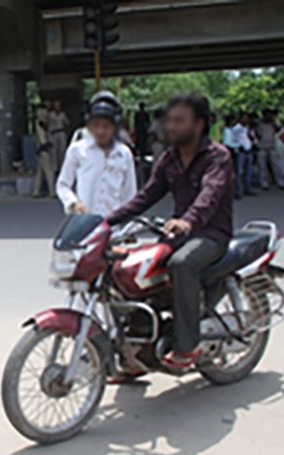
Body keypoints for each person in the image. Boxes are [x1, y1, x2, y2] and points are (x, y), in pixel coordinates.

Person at [106, 92, 234, 370]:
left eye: (179, 121)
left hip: (211, 234)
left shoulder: (218, 157)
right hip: (179, 234)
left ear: (199, 124)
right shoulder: (169, 159)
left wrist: (188, 220)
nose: (171, 127)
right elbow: (146, 196)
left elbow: (209, 196)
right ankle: (138, 350)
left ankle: (187, 346)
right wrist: (106, 221)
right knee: (129, 267)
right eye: (169, 121)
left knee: (182, 263)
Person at [57, 91, 137, 217]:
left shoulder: (124, 153)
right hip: (84, 223)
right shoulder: (77, 150)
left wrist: (129, 225)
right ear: (88, 126)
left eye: (106, 126)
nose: (100, 131)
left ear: (115, 127)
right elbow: (63, 185)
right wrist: (74, 204)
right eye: (96, 125)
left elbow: (130, 194)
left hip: (114, 226)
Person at [256, 109, 284, 191]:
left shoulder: (273, 124)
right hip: (262, 146)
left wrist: (274, 122)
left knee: (277, 165)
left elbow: (279, 129)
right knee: (262, 167)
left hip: (272, 146)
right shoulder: (259, 124)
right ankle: (264, 183)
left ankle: (280, 182)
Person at [32, 108, 55, 198]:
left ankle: (36, 191)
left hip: (40, 152)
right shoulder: (40, 127)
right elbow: (43, 142)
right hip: (44, 152)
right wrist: (49, 145)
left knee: (39, 173)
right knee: (49, 172)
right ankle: (52, 192)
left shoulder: (41, 126)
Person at [232, 112, 255, 198]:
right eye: (245, 118)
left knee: (249, 170)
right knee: (239, 171)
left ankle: (248, 188)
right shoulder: (237, 128)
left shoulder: (247, 128)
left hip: (248, 150)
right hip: (241, 151)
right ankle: (237, 191)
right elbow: (233, 139)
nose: (247, 120)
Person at [49, 100, 70, 172]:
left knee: (62, 150)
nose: (57, 107)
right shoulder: (51, 114)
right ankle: (55, 169)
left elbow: (67, 123)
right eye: (55, 105)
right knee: (54, 151)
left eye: (58, 105)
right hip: (54, 133)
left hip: (61, 132)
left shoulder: (62, 114)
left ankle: (62, 167)